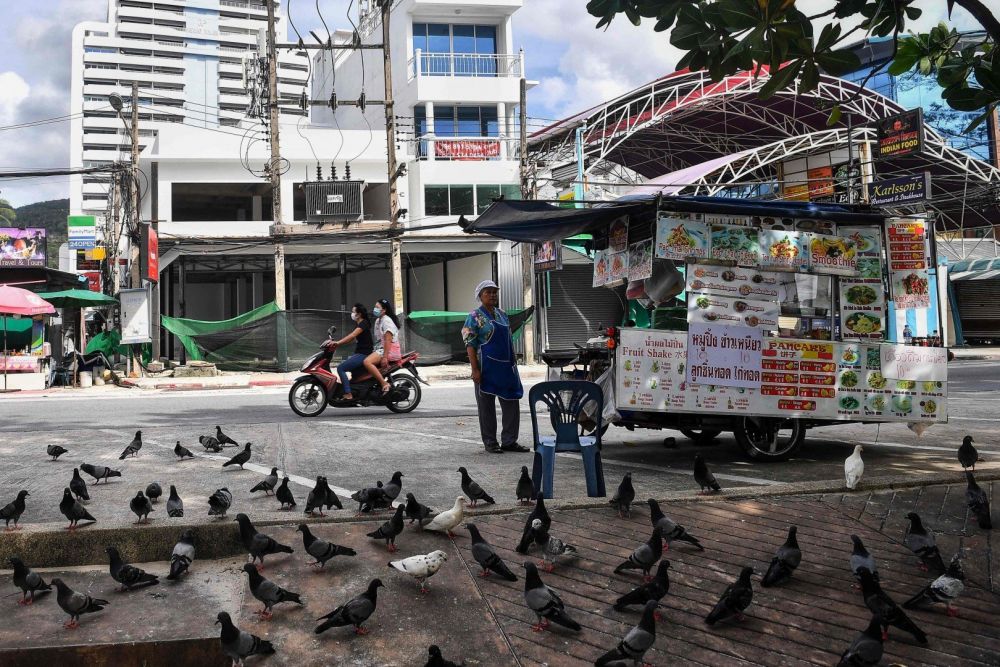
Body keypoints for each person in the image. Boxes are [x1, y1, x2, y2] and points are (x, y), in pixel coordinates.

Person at [463, 280, 528, 454]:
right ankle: (490, 442)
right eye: (488, 292)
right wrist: (475, 370)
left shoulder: (502, 314)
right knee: (486, 407)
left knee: (511, 403)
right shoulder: (474, 316)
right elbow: (470, 344)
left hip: (506, 367)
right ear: (480, 296)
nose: (492, 295)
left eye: (494, 292)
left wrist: (513, 364)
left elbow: (507, 340)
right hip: (485, 368)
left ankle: (509, 441)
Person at [333, 303, 373, 402]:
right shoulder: (360, 324)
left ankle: (348, 393)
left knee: (341, 368)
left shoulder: (363, 323)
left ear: (359, 314)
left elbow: (352, 336)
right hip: (360, 353)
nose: (352, 314)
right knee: (353, 373)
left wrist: (338, 343)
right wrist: (339, 343)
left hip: (364, 354)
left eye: (353, 312)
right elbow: (352, 338)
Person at [364, 298, 401, 394]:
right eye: (375, 307)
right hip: (382, 348)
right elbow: (379, 340)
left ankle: (384, 383)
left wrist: (385, 357)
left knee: (367, 362)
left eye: (377, 307)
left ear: (384, 310)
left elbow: (388, 340)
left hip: (390, 350)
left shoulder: (387, 321)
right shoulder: (378, 321)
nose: (374, 309)